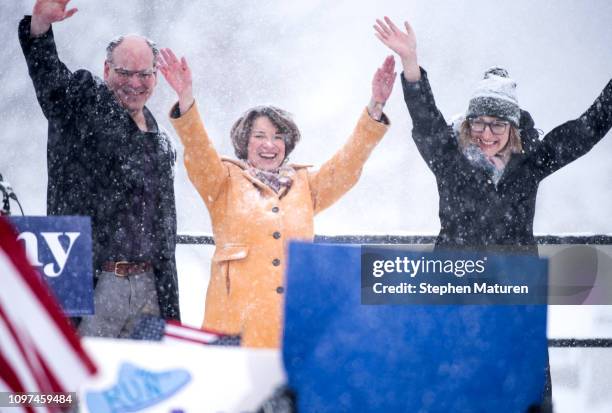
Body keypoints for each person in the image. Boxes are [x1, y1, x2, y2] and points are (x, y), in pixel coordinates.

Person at [159, 48, 395, 348]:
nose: (269, 144)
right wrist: (186, 99)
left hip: (293, 331)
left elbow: (347, 165)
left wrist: (376, 106)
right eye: (259, 136)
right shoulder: (222, 181)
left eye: (278, 137)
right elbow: (198, 150)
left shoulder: (305, 185)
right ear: (244, 142)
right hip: (233, 333)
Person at [374, 16, 612, 254]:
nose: (486, 133)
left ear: (513, 128)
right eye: (478, 123)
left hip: (515, 284)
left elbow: (585, 131)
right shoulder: (450, 160)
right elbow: (425, 120)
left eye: (498, 125)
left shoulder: (531, 162)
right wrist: (409, 59)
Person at [18, 0, 180, 337]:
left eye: (144, 74)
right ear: (107, 70)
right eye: (125, 72)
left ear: (155, 77)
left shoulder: (159, 138)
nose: (134, 83)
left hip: (152, 285)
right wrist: (40, 30)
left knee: (144, 383)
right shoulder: (84, 101)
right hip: (93, 282)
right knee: (79, 384)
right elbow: (51, 82)